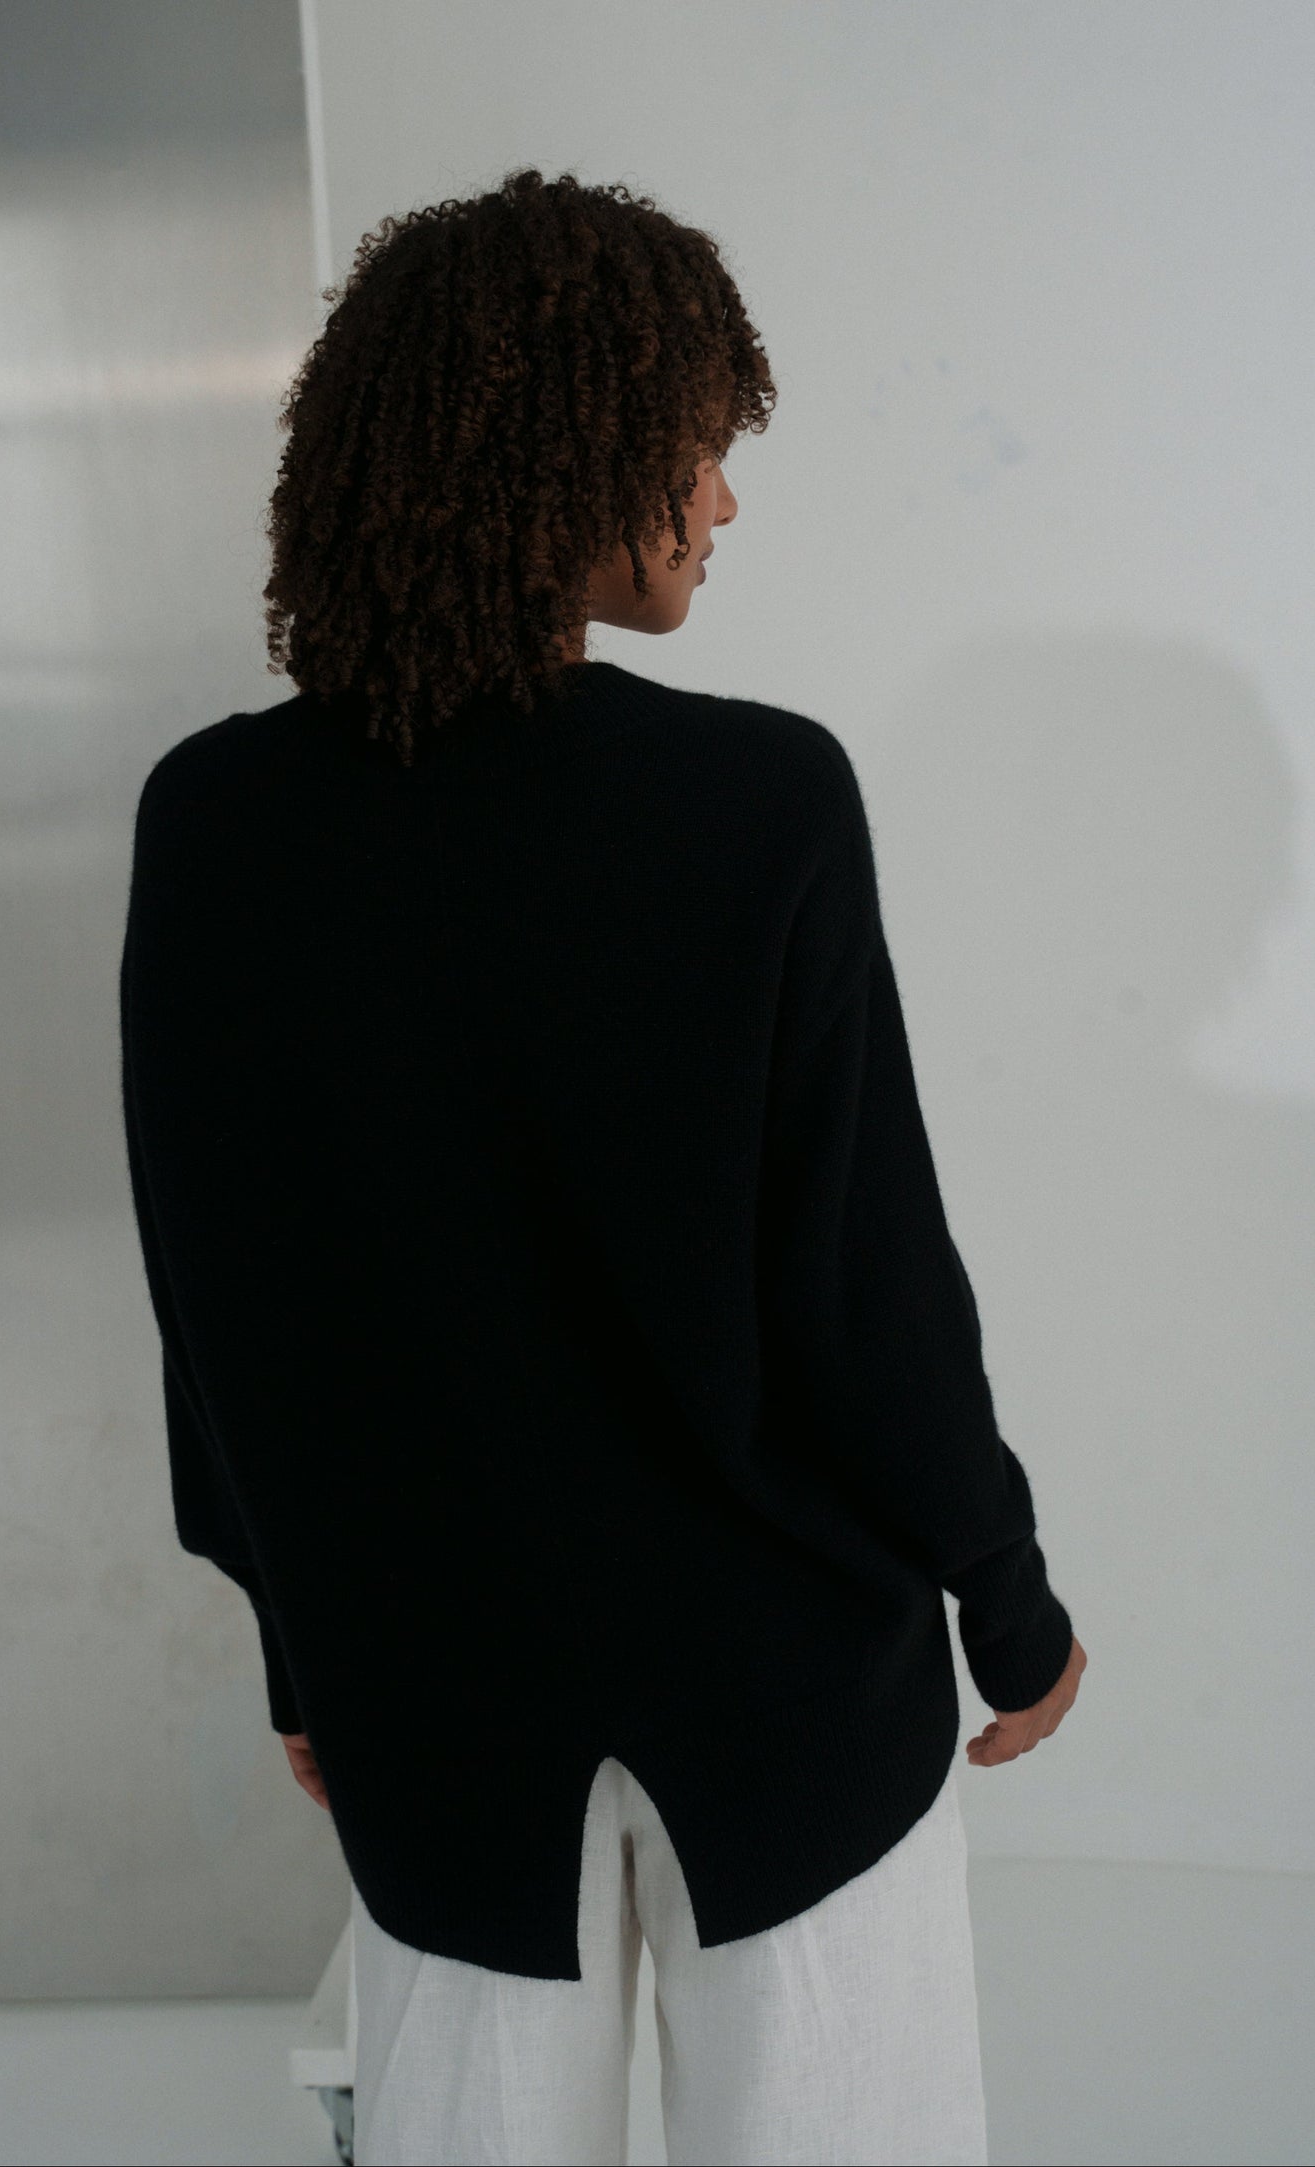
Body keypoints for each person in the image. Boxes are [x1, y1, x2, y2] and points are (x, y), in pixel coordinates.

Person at [119, 165, 1086, 2167]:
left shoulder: (217, 826)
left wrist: (301, 1644)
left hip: (435, 1700)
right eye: (698, 450)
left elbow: (222, 1302)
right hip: (786, 1691)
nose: (724, 502)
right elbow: (865, 1287)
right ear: (561, 460)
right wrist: (1005, 1594)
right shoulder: (757, 804)